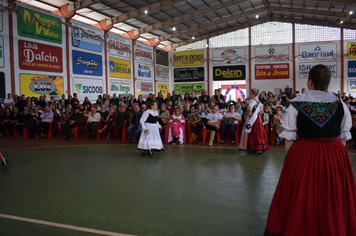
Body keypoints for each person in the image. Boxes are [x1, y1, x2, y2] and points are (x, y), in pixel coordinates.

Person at [265, 65, 356, 236]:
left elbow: (289, 137)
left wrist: (290, 163)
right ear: (328, 83)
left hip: (303, 153)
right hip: (334, 153)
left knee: (301, 196)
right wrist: (335, 160)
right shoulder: (341, 104)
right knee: (331, 196)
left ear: (310, 81)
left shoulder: (296, 103)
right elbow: (343, 136)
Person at [238, 88, 269, 154]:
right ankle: (261, 147)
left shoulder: (252, 101)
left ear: (253, 94)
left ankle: (255, 148)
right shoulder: (258, 100)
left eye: (250, 93)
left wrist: (249, 114)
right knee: (259, 132)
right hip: (258, 118)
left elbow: (250, 109)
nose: (249, 94)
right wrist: (259, 111)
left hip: (253, 118)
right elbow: (262, 106)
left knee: (254, 133)